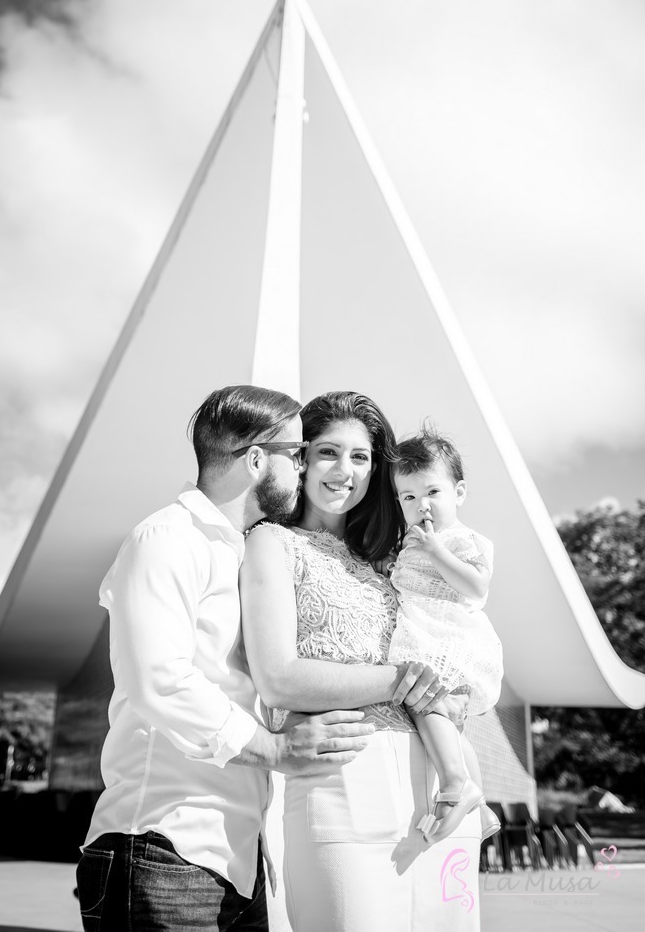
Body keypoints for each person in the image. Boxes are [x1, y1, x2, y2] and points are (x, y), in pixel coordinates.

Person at [76, 384, 386, 932]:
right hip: (162, 846)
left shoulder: (240, 551)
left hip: (238, 862)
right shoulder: (167, 538)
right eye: (298, 454)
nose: (304, 468)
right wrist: (275, 748)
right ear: (258, 460)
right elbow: (159, 680)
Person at [240, 392, 481, 932]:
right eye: (329, 452)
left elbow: (454, 638)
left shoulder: (395, 559)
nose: (344, 471)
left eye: (362, 457)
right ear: (300, 458)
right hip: (341, 787)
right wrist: (404, 681)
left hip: (441, 798)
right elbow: (278, 679)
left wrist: (456, 689)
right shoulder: (271, 544)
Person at [388, 428, 504, 845]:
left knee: (427, 705)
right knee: (444, 723)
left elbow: (476, 587)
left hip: (450, 635)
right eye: (409, 497)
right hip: (422, 632)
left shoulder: (463, 539)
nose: (423, 506)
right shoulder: (410, 540)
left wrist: (438, 550)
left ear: (458, 492)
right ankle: (480, 800)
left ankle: (456, 784)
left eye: (432, 492)